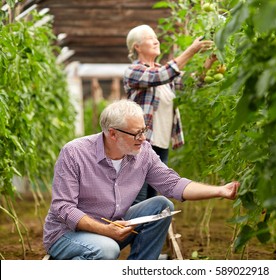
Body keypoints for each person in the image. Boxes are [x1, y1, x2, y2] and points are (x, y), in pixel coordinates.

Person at [43, 99, 239, 260]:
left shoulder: (143, 152)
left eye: (144, 130)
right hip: (67, 234)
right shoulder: (75, 153)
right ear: (112, 133)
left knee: (162, 205)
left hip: (113, 227)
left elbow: (173, 184)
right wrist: (105, 231)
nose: (143, 138)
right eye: (136, 133)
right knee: (107, 250)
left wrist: (220, 190)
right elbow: (64, 208)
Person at [124, 24, 217, 203]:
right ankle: (125, 231)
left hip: (160, 145)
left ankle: (147, 231)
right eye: (150, 38)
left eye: (155, 37)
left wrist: (209, 62)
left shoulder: (165, 75)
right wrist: (191, 50)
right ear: (137, 46)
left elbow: (191, 83)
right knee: (138, 199)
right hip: (141, 145)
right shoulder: (134, 72)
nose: (156, 40)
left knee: (152, 198)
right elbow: (161, 75)